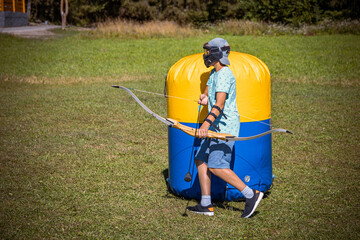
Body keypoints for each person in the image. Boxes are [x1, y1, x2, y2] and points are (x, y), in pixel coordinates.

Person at [186, 38, 264, 218]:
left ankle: (251, 195)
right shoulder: (215, 73)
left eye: (208, 51)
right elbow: (209, 90)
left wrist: (205, 124)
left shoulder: (225, 74)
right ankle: (206, 204)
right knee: (201, 160)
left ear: (218, 53)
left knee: (216, 166)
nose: (206, 55)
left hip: (224, 127)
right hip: (214, 124)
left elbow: (219, 104)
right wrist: (204, 96)